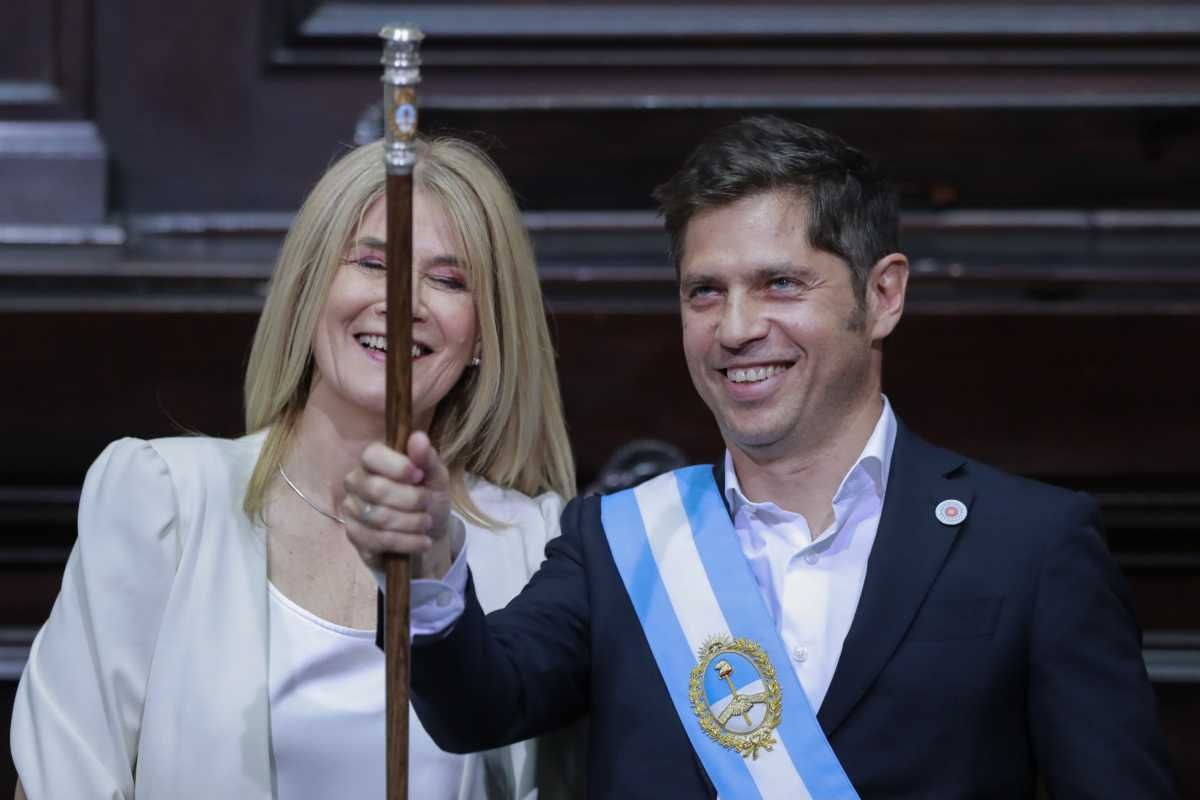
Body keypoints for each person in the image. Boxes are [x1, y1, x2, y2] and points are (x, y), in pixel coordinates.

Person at [345, 116, 1178, 798]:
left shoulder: (1031, 545)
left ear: (882, 295)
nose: (735, 327)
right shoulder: (621, 538)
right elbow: (478, 709)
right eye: (705, 291)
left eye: (780, 284)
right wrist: (427, 572)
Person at [11, 136, 576, 800]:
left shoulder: (533, 543)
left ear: (485, 336)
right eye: (372, 262)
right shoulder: (163, 500)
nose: (403, 301)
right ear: (311, 285)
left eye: (449, 280)